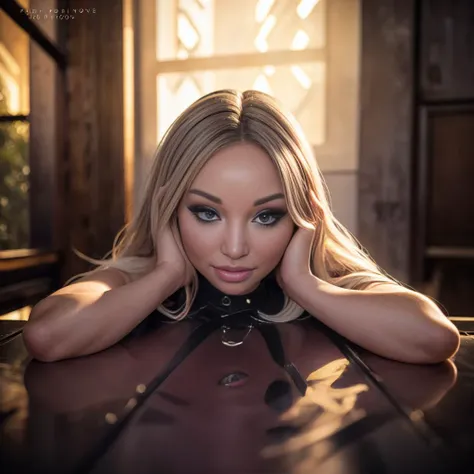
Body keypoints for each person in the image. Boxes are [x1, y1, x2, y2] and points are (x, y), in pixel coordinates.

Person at [22, 89, 460, 363]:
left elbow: (434, 338)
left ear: (302, 214)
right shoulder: (137, 277)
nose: (234, 248)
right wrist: (167, 275)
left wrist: (304, 286)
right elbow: (46, 335)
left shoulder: (330, 282)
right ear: (169, 208)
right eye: (206, 213)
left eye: (267, 216)